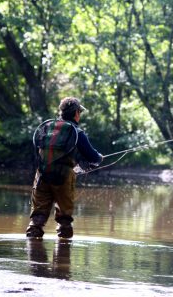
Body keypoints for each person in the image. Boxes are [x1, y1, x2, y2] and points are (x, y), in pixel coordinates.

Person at [26, 97, 103, 239]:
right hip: (63, 179)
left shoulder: (46, 128)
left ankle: (33, 253)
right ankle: (63, 254)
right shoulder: (76, 133)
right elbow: (93, 157)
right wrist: (99, 157)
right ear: (76, 113)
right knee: (64, 221)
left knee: (36, 221)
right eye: (80, 112)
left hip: (42, 176)